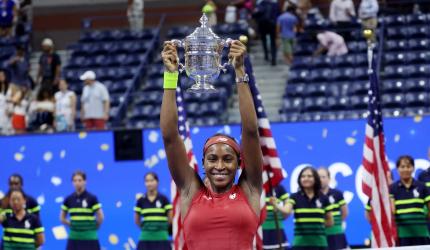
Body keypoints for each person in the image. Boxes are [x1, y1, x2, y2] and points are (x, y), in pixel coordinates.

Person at [160, 40, 263, 249]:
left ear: (239, 163)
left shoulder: (249, 188)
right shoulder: (191, 190)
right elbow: (170, 137)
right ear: (203, 163)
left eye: (228, 159)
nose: (220, 166)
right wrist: (170, 77)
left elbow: (251, 132)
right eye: (212, 159)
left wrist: (240, 71)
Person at [270, 166, 333, 250]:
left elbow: (330, 221)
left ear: (316, 179)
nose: (306, 178)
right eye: (303, 176)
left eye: (309, 176)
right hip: (299, 244)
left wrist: (315, 226)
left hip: (320, 244)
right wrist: (277, 205)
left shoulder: (324, 198)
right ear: (299, 179)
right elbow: (287, 210)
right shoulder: (294, 197)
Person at [390, 155, 430, 246]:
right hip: (401, 236)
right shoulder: (392, 188)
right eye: (402, 167)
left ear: (413, 168)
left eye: (408, 166)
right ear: (397, 169)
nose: (405, 170)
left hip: (421, 234)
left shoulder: (422, 187)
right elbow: (392, 211)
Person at [60, 170, 104, 250]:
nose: (77, 183)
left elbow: (100, 217)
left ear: (85, 181)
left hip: (90, 238)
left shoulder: (92, 198)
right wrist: (73, 225)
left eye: (80, 180)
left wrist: (92, 228)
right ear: (72, 182)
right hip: (74, 238)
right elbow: (62, 218)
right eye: (75, 180)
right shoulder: (68, 199)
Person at [134, 172, 173, 250]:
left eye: (151, 180)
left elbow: (170, 218)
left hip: (162, 237)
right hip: (145, 238)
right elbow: (137, 220)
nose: (149, 183)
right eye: (147, 181)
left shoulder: (164, 199)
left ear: (157, 182)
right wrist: (147, 229)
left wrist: (162, 229)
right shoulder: (141, 200)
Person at [318, 167, 349, 250]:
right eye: (318, 177)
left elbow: (345, 212)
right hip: (321, 235)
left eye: (323, 177)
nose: (321, 179)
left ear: (329, 179)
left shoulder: (337, 194)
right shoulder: (313, 195)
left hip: (336, 234)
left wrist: (336, 223)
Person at [253, 0, 279, 66]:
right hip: (272, 24)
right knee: (273, 42)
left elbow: (256, 13)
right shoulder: (274, 4)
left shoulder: (261, 3)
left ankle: (266, 55)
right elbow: (277, 15)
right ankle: (273, 58)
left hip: (263, 24)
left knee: (264, 41)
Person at [264, 184, 289, 249]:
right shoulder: (252, 187)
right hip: (258, 232)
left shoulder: (279, 187)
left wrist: (276, 206)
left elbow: (288, 210)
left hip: (277, 232)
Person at [0, 70, 10, 134]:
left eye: (3, 75)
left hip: (7, 115)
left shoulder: (9, 87)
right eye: (0, 76)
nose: (2, 77)